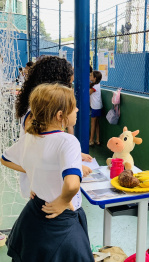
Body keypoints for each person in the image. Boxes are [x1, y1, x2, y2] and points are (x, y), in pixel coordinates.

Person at [1, 83, 95, 262]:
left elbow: (5, 159)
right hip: (60, 219)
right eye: (73, 107)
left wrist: (34, 171)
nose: (77, 109)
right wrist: (62, 201)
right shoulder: (68, 141)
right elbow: (72, 184)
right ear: (60, 115)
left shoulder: (31, 137)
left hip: (35, 213)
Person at [15, 56, 92, 198]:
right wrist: (72, 167)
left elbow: (46, 147)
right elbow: (32, 155)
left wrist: (72, 157)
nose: (70, 89)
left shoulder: (41, 110)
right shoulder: (35, 114)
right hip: (40, 189)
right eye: (68, 84)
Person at [89, 70, 103, 146]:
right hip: (98, 107)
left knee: (93, 123)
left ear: (94, 78)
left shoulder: (94, 87)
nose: (89, 76)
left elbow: (88, 92)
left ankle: (91, 140)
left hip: (95, 107)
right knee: (97, 123)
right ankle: (97, 140)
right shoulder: (97, 84)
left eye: (91, 75)